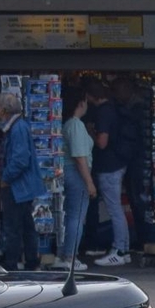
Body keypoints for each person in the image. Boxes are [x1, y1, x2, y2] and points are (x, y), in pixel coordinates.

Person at [0, 87, 46, 268]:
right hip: (21, 186)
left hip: (17, 186)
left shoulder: (17, 129)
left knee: (14, 227)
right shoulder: (19, 127)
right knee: (26, 225)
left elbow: (20, 159)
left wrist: (6, 178)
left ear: (4, 110)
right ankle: (31, 261)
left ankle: (12, 264)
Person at [87, 79, 136, 267]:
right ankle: (124, 248)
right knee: (117, 209)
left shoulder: (103, 112)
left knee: (114, 209)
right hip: (118, 163)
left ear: (91, 96)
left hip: (108, 166)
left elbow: (102, 143)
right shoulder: (114, 108)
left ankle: (119, 250)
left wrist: (90, 133)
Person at [58, 91, 96, 263]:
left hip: (69, 172)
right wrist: (89, 183)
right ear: (81, 103)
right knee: (76, 216)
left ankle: (66, 253)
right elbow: (80, 157)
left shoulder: (68, 125)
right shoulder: (75, 125)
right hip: (76, 173)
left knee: (69, 216)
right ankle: (70, 256)